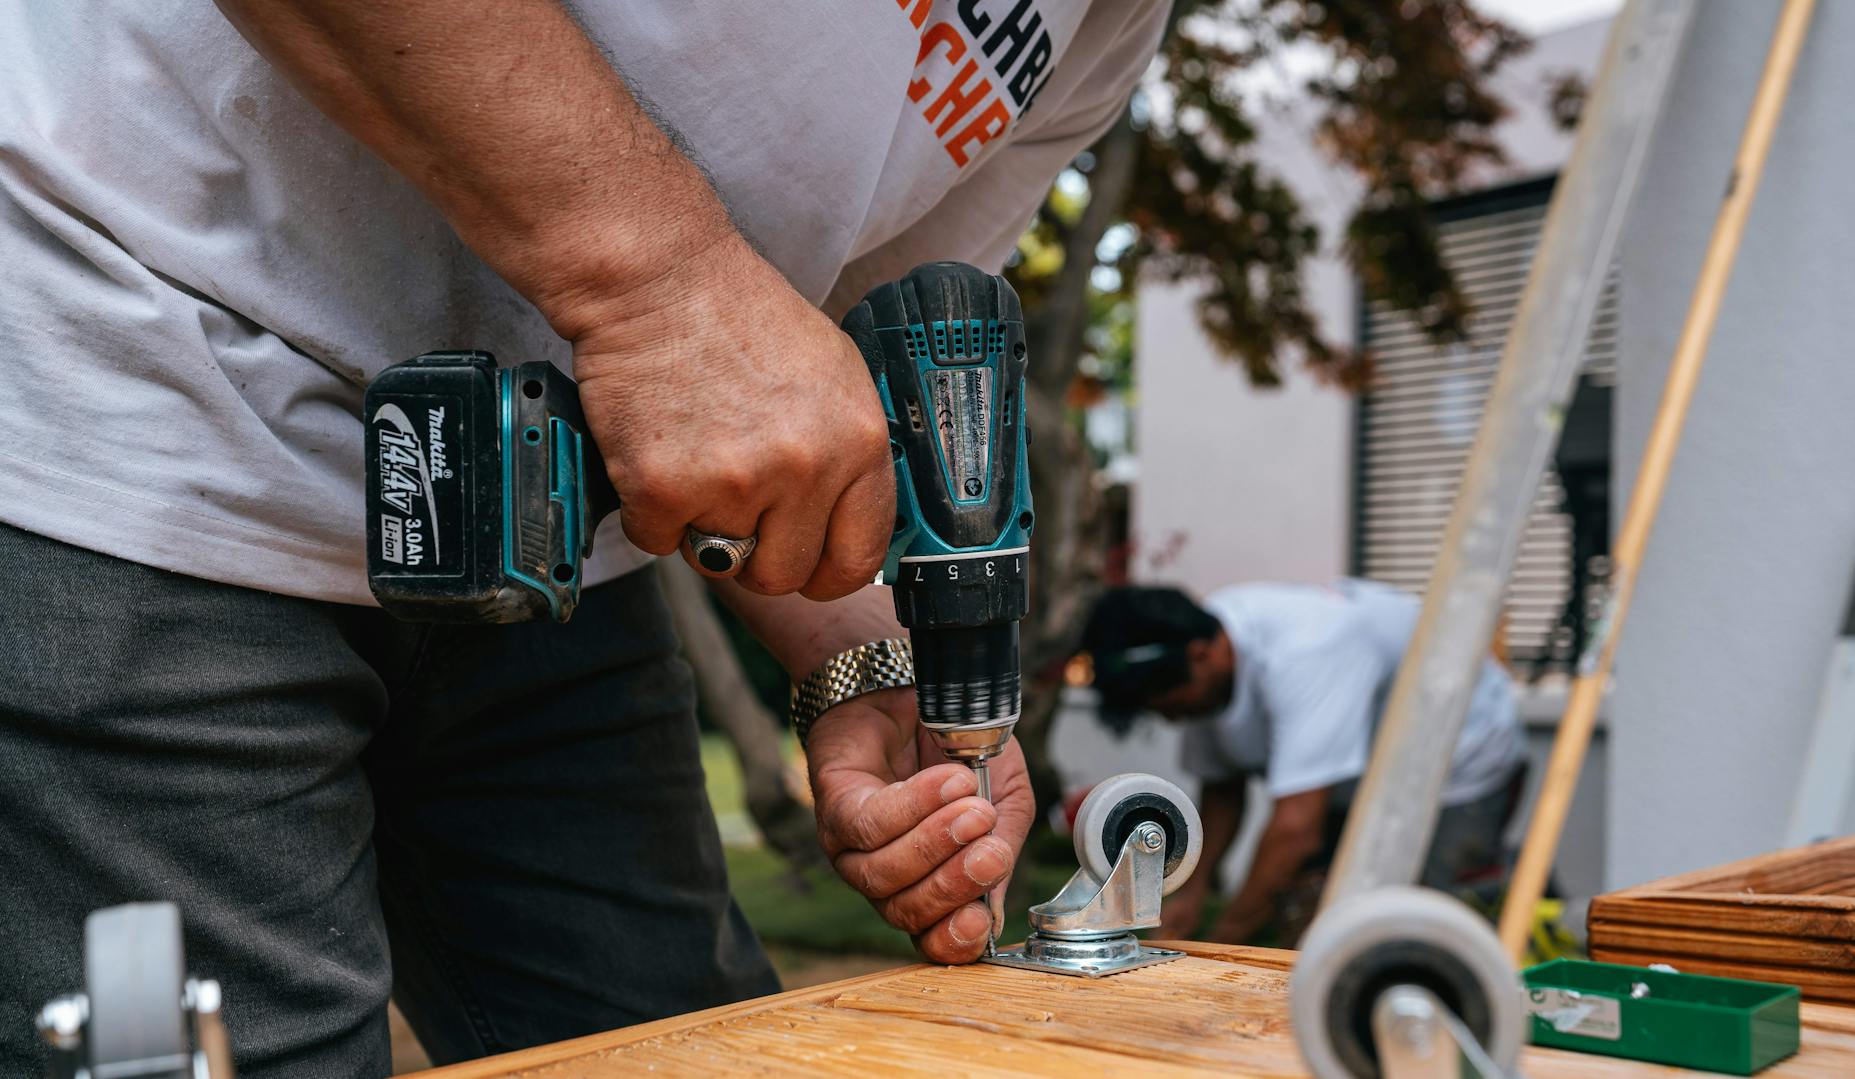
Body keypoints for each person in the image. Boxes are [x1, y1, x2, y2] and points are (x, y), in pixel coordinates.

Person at [0, 2, 1171, 1074]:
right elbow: (708, 332)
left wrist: (868, 657)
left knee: (684, 1048)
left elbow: (799, 378)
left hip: (549, 541)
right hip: (136, 403)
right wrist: (661, 284)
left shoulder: (1108, 23)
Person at [1081, 581, 1526, 944]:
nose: (1165, 715)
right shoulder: (1206, 648)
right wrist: (1191, 893)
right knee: (1310, 906)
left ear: (1203, 655)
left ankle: (1513, 902)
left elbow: (1296, 831)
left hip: (1458, 761)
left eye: (1167, 699)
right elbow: (1222, 791)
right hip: (1361, 773)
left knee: (1428, 919)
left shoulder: (1307, 650)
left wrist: (1222, 944)